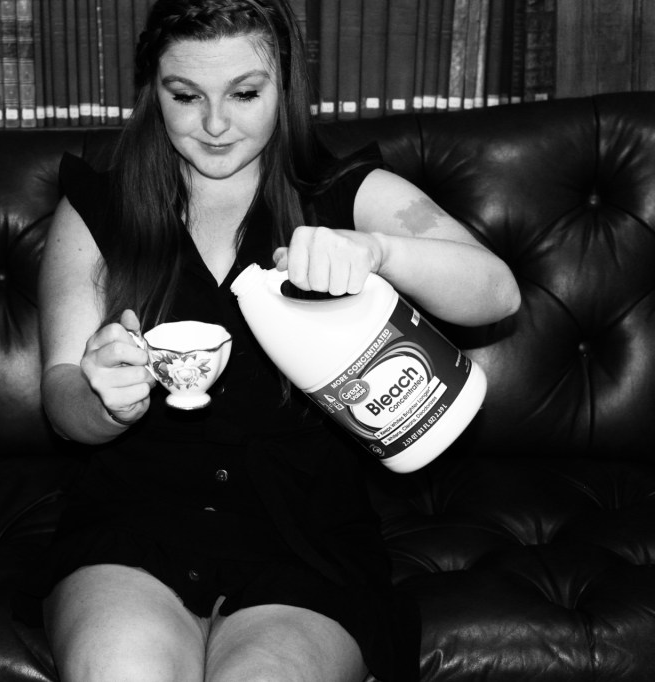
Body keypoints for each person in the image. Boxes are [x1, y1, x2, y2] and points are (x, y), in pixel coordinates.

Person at [27, 1, 521, 680]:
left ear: (284, 87)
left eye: (245, 93)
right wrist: (101, 399)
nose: (215, 123)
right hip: (132, 529)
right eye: (184, 96)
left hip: (306, 543)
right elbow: (61, 397)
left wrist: (376, 250)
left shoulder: (342, 192)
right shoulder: (97, 208)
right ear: (152, 93)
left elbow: (497, 290)